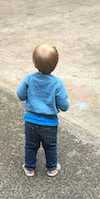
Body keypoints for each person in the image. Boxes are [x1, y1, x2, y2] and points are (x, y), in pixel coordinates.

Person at [17, 43, 69, 177]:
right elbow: (63, 104)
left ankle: (29, 168)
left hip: (31, 121)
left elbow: (20, 95)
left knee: (30, 145)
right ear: (55, 64)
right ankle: (51, 168)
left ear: (34, 63)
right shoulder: (57, 83)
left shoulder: (29, 79)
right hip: (49, 123)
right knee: (50, 146)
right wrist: (63, 106)